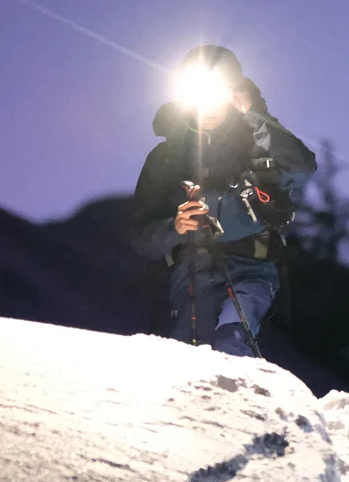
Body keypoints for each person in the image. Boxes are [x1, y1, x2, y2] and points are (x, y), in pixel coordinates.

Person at [131, 45, 317, 356]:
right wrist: (174, 227)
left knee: (233, 338)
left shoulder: (257, 138)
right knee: (189, 350)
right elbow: (139, 236)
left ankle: (241, 398)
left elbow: (300, 167)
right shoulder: (166, 158)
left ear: (233, 92)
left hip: (252, 266)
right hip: (191, 269)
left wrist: (254, 113)